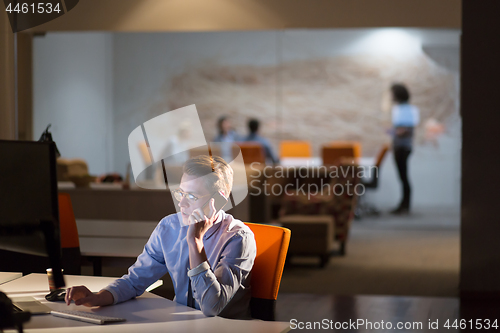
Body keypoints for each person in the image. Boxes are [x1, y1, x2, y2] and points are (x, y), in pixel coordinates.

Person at [65, 155, 257, 319]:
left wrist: (195, 242)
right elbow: (135, 281)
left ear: (220, 199)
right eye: (180, 193)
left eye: (191, 196)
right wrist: (99, 296)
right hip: (181, 325)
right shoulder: (169, 227)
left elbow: (211, 307)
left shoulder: (238, 238)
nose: (181, 204)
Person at [389, 83, 420, 215]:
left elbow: (404, 130)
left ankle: (405, 205)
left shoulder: (405, 110)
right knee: (403, 177)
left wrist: (392, 132)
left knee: (404, 177)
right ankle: (404, 204)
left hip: (402, 147)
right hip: (401, 146)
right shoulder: (403, 109)